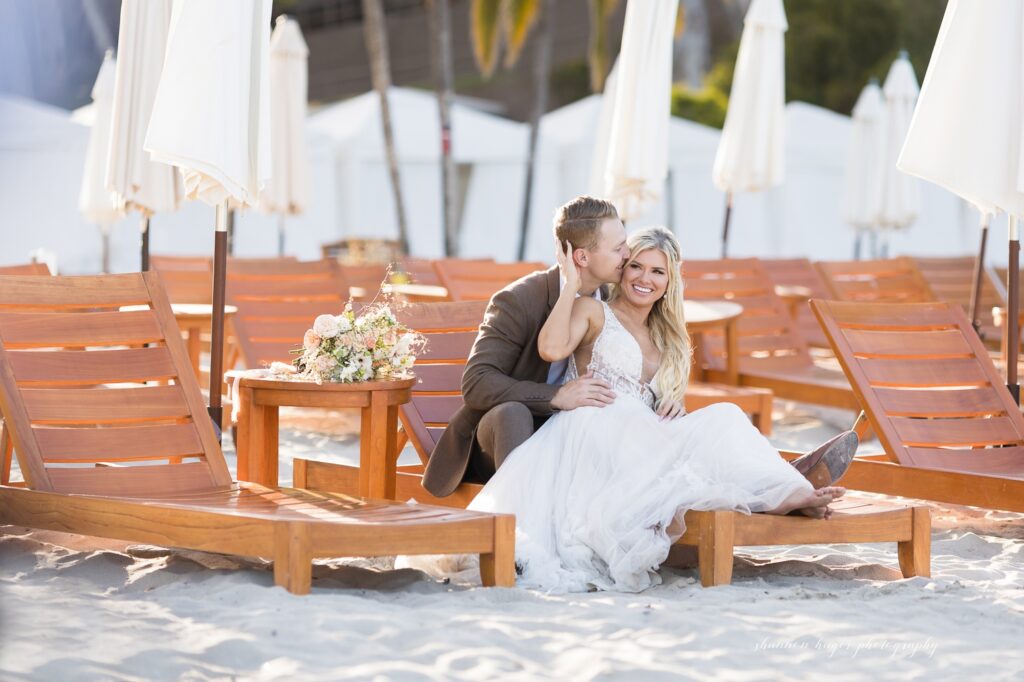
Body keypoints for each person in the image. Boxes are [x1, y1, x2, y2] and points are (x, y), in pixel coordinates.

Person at [464, 226, 851, 593]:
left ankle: (789, 492)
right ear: (623, 268)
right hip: (592, 426)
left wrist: (669, 401)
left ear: (670, 281)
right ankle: (789, 483)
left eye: (657, 271)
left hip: (638, 433)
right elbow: (550, 349)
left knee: (726, 416)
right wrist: (570, 285)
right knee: (656, 439)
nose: (643, 278)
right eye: (635, 265)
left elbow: (649, 398)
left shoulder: (666, 336)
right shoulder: (593, 311)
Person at [423, 195, 855, 501]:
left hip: (599, 431)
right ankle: (520, 518)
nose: (628, 255)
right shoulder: (522, 299)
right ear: (583, 257)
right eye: (620, 250)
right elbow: (477, 384)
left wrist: (664, 404)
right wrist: (554, 396)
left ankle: (782, 484)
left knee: (712, 420)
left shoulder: (610, 310)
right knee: (517, 412)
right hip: (513, 435)